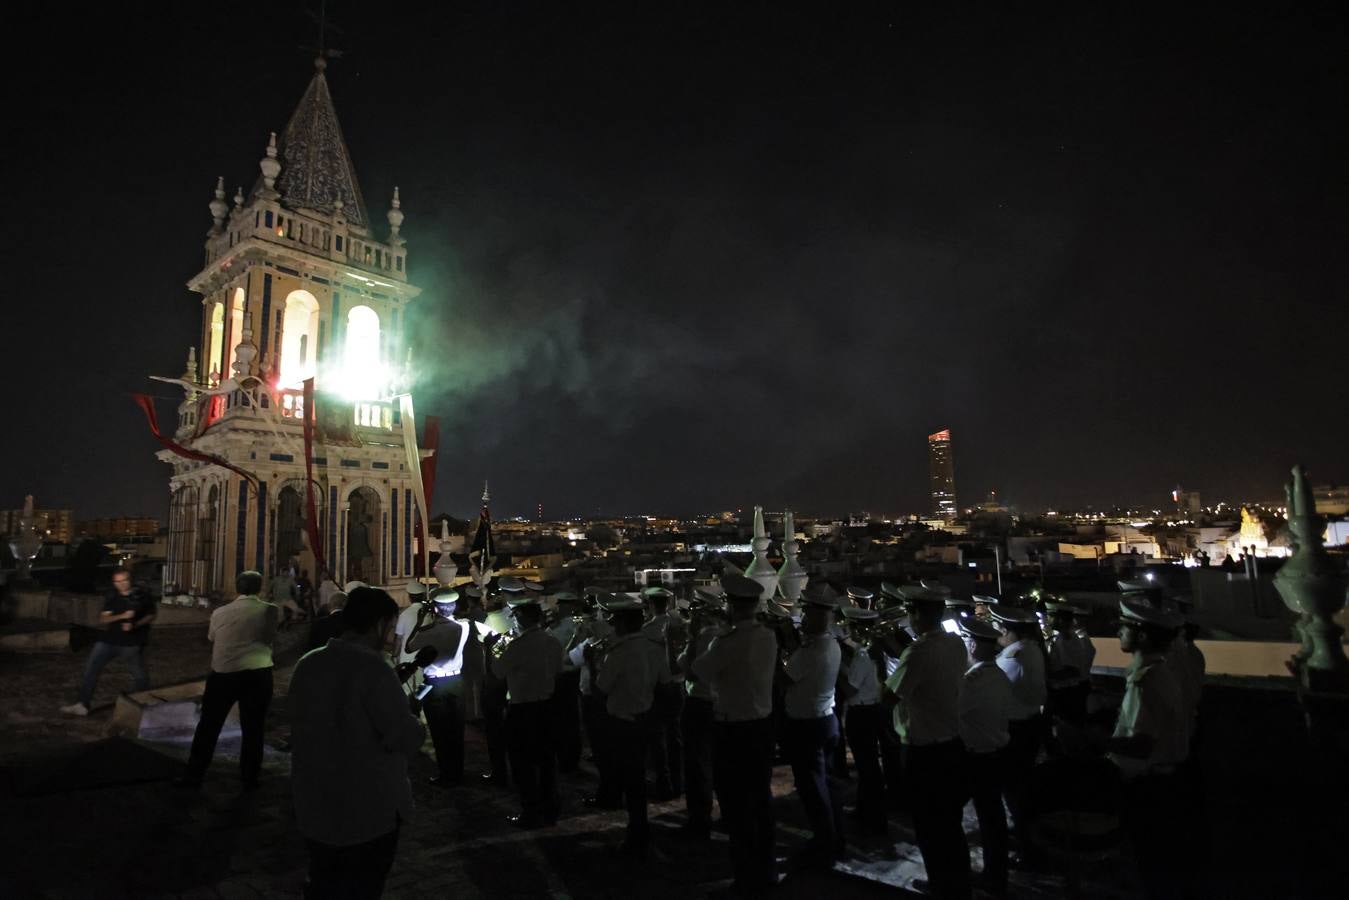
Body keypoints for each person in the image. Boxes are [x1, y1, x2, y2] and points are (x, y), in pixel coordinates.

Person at [290, 586, 425, 899]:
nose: (392, 636)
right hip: (366, 811)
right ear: (379, 625)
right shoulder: (375, 669)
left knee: (323, 883)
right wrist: (413, 716)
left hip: (315, 804)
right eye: (391, 628)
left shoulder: (308, 664)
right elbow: (402, 737)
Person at [690, 573, 779, 896]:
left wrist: (694, 633)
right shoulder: (767, 636)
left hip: (732, 729)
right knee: (760, 800)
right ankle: (766, 868)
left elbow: (695, 671)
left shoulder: (725, 642)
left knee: (735, 805)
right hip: (761, 726)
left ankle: (746, 875)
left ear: (731, 605)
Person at [884, 586, 971, 899]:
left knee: (929, 826)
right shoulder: (956, 643)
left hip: (925, 751)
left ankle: (941, 885)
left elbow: (892, 692)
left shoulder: (919, 651)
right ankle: (960, 884)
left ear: (917, 614)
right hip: (953, 744)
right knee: (950, 824)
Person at [1109, 599, 1190, 899]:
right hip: (1161, 780)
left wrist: (1091, 740)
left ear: (1142, 636)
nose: (1119, 633)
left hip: (1148, 784)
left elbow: (1141, 744)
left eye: (1124, 628)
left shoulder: (1147, 680)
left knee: (1149, 861)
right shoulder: (1157, 673)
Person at [178, 570, 279, 788]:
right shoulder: (269, 610)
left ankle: (195, 772)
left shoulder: (220, 612)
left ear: (237, 587)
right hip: (258, 674)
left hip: (224, 674)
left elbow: (212, 637)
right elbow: (269, 636)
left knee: (209, 725)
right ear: (260, 587)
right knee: (254, 728)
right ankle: (249, 776)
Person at [594, 594, 669, 856]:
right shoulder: (655, 648)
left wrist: (595, 663)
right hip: (645, 718)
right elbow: (664, 681)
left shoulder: (619, 652)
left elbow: (602, 687)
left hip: (622, 722)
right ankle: (641, 830)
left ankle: (637, 835)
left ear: (623, 624)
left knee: (631, 781)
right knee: (639, 779)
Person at [780, 586, 846, 867]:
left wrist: (776, 647)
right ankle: (834, 836)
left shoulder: (811, 651)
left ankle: (824, 843)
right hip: (825, 721)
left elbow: (784, 680)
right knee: (826, 785)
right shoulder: (830, 644)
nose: (803, 617)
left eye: (806, 612)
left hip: (808, 725)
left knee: (813, 789)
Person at [491, 590, 563, 828]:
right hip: (548, 707)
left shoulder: (517, 646)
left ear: (521, 617)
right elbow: (557, 671)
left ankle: (530, 811)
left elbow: (498, 672)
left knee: (523, 765)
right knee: (547, 763)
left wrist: (492, 650)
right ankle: (550, 808)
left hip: (522, 709)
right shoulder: (552, 641)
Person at [957, 616, 1013, 898]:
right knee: (993, 820)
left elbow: (953, 712)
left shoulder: (973, 681)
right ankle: (996, 874)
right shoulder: (999, 675)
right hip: (996, 754)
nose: (966, 646)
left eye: (968, 641)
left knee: (964, 815)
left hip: (977, 758)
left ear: (976, 645)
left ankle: (983, 877)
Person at [991, 603, 1048, 867]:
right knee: (1023, 788)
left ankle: (1028, 849)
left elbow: (992, 688)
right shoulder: (1032, 649)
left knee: (1014, 792)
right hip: (1030, 723)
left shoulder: (1013, 657)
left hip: (1015, 729)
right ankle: (1029, 839)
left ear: (1005, 629)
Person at [408, 589, 480, 787]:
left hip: (435, 684)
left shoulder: (429, 630)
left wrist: (420, 621)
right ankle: (457, 773)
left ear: (436, 608)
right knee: (456, 730)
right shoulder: (463, 627)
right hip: (456, 682)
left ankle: (446, 774)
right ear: (454, 606)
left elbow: (409, 646)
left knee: (440, 732)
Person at [62, 568, 156, 716]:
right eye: (117, 582)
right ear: (114, 583)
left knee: (139, 675)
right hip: (108, 641)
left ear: (130, 580)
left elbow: (150, 615)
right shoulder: (112, 596)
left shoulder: (142, 596)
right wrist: (121, 616)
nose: (121, 584)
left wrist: (135, 625)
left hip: (131, 643)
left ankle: (141, 702)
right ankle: (82, 704)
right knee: (90, 669)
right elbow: (103, 618)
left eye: (124, 580)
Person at [678, 588, 728, 838]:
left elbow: (689, 671)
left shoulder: (704, 635)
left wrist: (688, 640)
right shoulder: (724, 634)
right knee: (719, 764)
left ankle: (699, 819)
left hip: (699, 703)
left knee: (697, 766)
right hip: (720, 706)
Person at [839, 606, 887, 835]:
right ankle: (867, 809)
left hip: (862, 714)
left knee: (867, 768)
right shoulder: (872, 652)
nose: (845, 631)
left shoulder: (861, 656)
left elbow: (850, 690)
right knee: (869, 767)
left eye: (848, 627)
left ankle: (872, 816)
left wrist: (835, 670)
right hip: (872, 711)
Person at [641, 585, 685, 800]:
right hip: (677, 685)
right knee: (675, 737)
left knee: (658, 740)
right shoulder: (679, 624)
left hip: (657, 688)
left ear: (650, 605)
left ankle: (664, 783)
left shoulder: (647, 630)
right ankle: (679, 782)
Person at [548, 592, 584, 773]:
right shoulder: (580, 626)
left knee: (562, 721)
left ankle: (565, 759)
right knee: (571, 721)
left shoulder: (557, 629)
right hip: (572, 676)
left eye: (560, 605)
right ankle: (571, 759)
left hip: (562, 677)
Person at [1045, 600, 1089, 726]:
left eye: (1051, 617)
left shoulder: (1066, 639)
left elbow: (1072, 671)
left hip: (1066, 693)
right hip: (1067, 692)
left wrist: (1047, 677)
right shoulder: (1064, 637)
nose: (1048, 620)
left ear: (1060, 619)